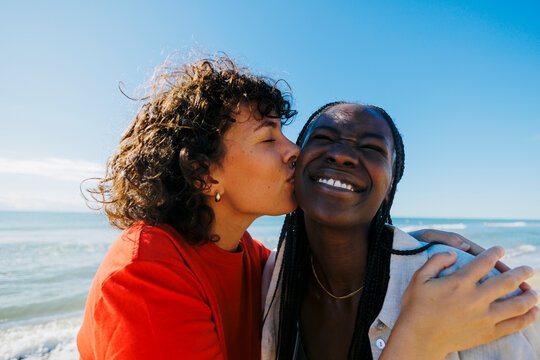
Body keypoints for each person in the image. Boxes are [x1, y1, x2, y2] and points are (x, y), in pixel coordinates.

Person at [77, 55, 537, 360]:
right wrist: (417, 341)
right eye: (267, 139)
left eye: (286, 134)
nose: (293, 151)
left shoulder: (255, 264)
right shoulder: (147, 274)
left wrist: (415, 244)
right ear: (204, 174)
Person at [262, 102, 540, 360]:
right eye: (323, 138)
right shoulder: (272, 277)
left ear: (390, 187)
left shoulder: (461, 284)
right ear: (294, 163)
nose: (342, 155)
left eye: (371, 148)